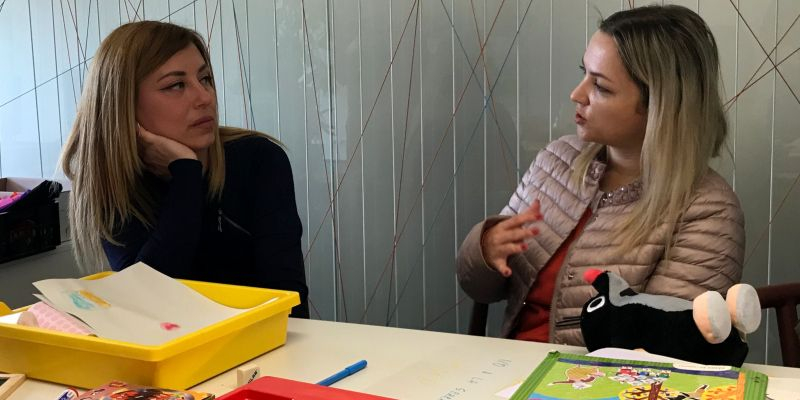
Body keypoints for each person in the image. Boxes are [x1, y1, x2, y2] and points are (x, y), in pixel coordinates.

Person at [456, 5, 744, 345]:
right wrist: (486, 250)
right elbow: (481, 287)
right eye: (584, 74)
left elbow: (662, 349)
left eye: (601, 87)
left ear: (661, 107)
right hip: (508, 372)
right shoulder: (556, 161)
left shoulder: (707, 209)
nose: (577, 95)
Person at [60, 21, 309, 318]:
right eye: (176, 85)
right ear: (124, 105)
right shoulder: (113, 182)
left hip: (261, 352)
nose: (204, 97)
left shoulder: (258, 159)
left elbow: (291, 307)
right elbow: (145, 307)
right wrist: (187, 175)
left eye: (205, 79)